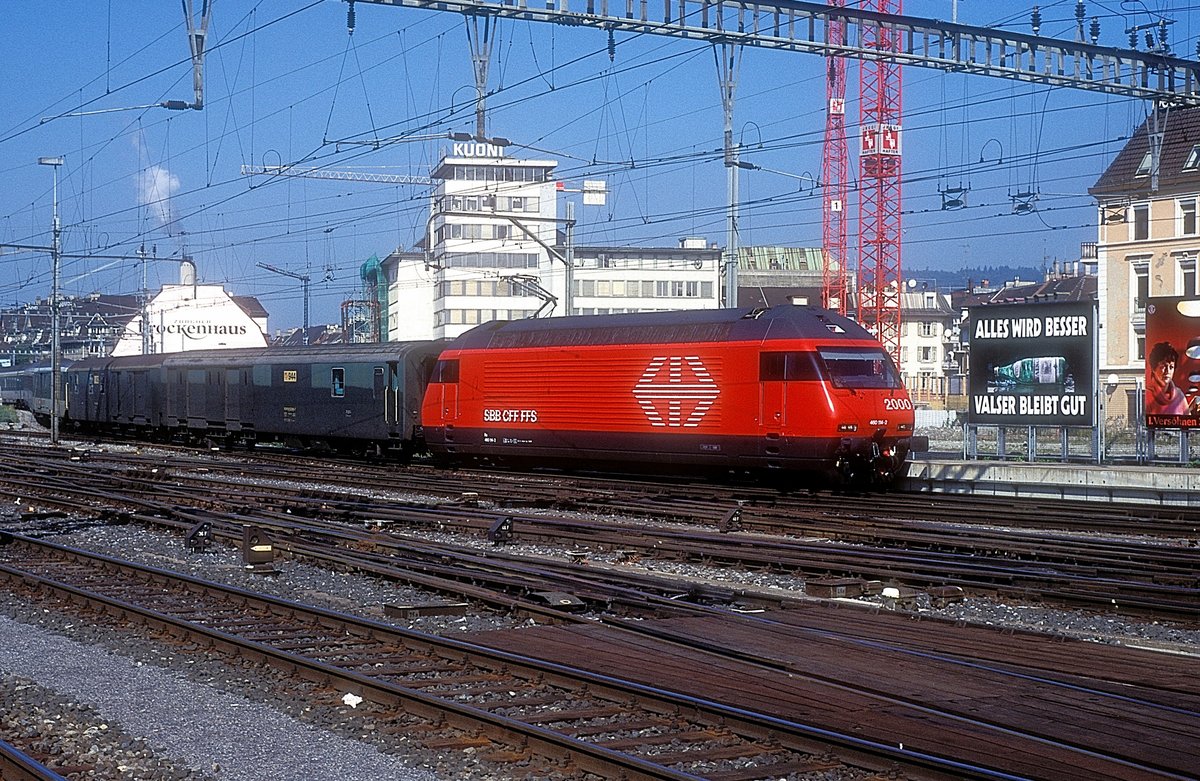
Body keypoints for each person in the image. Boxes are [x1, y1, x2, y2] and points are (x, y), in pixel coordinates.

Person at [1146, 341, 1189, 415]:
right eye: (1163, 366)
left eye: (1171, 367)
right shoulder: (1147, 395)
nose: (1167, 371)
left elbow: (1188, 420)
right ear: (1153, 368)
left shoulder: (1179, 395)